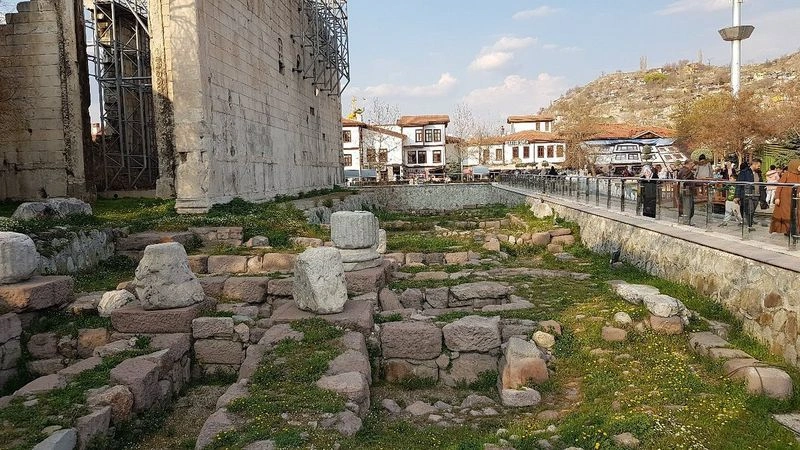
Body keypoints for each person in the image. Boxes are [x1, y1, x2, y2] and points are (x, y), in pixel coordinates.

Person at [770, 159, 800, 235]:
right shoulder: (787, 174)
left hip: (796, 199)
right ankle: (788, 230)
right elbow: (779, 186)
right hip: (785, 200)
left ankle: (796, 230)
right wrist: (777, 197)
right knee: (786, 215)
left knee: (797, 214)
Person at [736, 158, 762, 231]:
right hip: (748, 194)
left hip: (757, 194)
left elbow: (761, 184)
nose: (759, 167)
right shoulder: (744, 172)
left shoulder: (759, 173)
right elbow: (739, 184)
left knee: (753, 210)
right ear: (754, 164)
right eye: (758, 166)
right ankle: (750, 225)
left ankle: (749, 222)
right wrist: (737, 196)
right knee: (749, 209)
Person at [677, 160, 697, 225]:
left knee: (685, 206)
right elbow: (686, 181)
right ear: (688, 164)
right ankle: (686, 222)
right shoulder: (686, 171)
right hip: (687, 191)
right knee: (687, 207)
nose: (692, 166)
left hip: (683, 190)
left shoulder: (681, 170)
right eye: (691, 164)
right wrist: (696, 182)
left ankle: (686, 221)